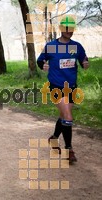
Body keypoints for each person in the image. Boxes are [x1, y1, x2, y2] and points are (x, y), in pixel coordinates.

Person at [37, 15, 90, 164]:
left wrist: (86, 63)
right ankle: (69, 149)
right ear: (61, 29)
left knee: (63, 116)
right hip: (56, 86)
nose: (69, 31)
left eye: (71, 29)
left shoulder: (76, 46)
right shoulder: (52, 46)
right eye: (66, 28)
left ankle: (53, 139)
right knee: (68, 117)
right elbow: (40, 60)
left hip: (71, 87)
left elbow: (83, 60)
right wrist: (43, 66)